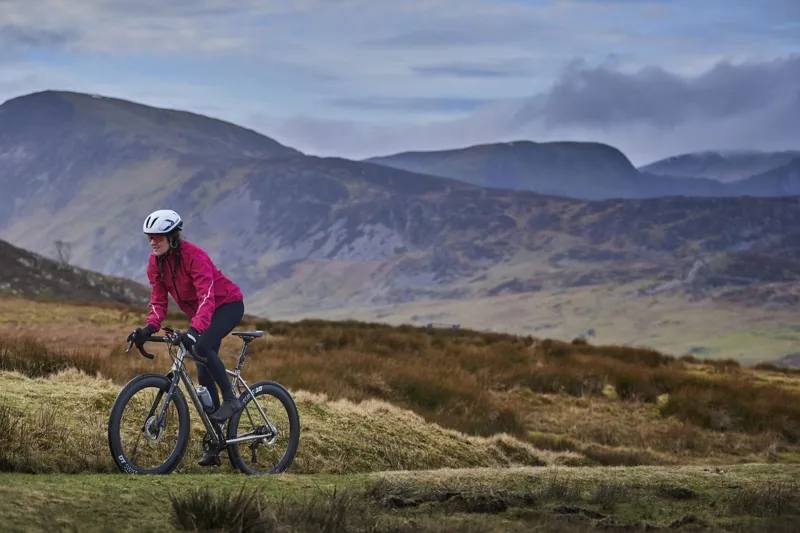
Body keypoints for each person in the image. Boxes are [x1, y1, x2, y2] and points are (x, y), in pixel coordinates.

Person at [127, 209, 245, 467]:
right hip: (204, 313)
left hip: (227, 305)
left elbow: (207, 297)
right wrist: (148, 328)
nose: (152, 241)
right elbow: (158, 300)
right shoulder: (155, 263)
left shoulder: (195, 257)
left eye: (158, 236)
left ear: (172, 237)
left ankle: (232, 400)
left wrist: (193, 331)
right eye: (150, 237)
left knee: (201, 346)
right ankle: (216, 443)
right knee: (203, 374)